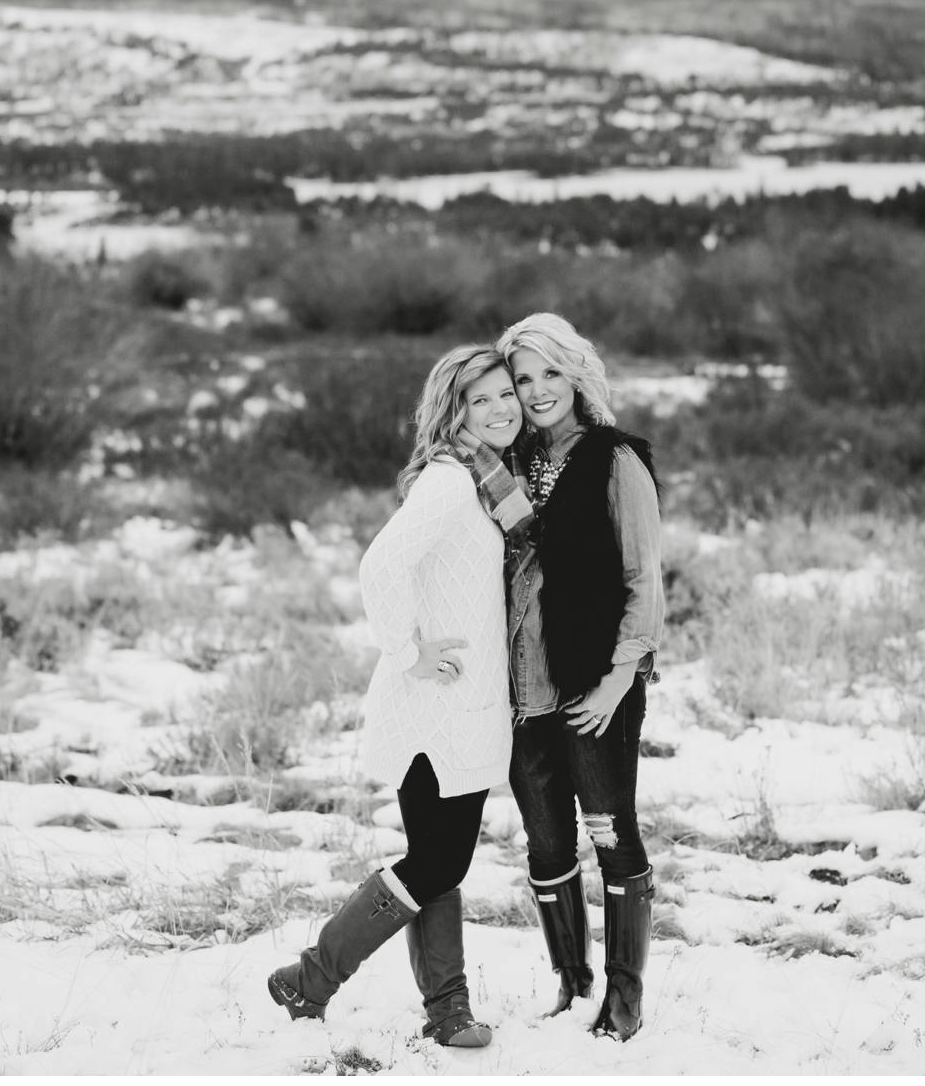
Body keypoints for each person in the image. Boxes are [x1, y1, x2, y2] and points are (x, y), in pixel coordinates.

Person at [267, 345, 533, 1047]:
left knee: (435, 857)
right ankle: (311, 977)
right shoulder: (451, 481)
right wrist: (409, 652)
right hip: (436, 709)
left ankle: (447, 1011)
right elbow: (379, 565)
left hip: (466, 707)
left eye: (505, 393)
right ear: (455, 411)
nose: (501, 407)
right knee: (440, 861)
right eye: (481, 400)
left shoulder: (487, 480)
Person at [498, 313, 664, 1041]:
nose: (536, 392)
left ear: (577, 375)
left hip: (595, 686)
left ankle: (624, 998)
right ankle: (573, 981)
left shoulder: (614, 460)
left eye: (550, 374)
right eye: (523, 378)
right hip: (522, 690)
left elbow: (643, 580)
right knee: (545, 843)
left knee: (610, 832)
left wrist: (617, 681)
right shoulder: (513, 463)